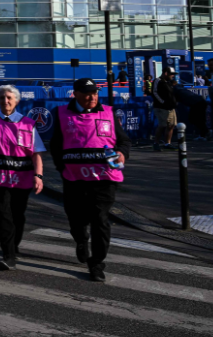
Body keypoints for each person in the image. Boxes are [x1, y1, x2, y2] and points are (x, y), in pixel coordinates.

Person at [49, 77, 129, 282]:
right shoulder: (61, 113)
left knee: (100, 218)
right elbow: (56, 145)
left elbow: (123, 141)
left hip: (105, 178)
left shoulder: (109, 112)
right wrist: (62, 167)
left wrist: (121, 153)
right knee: (76, 218)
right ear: (75, 94)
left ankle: (97, 263)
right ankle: (81, 240)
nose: (92, 97)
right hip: (74, 178)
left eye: (94, 93)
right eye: (86, 93)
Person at [0, 85, 46, 270]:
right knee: (2, 214)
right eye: (3, 97)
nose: (6, 101)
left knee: (17, 215)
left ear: (17, 101)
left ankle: (14, 246)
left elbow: (36, 153)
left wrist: (38, 175)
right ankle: (8, 255)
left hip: (22, 179)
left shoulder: (28, 123)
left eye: (9, 97)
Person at [151, 67, 177, 150]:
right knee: (162, 125)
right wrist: (162, 102)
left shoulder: (168, 83)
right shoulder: (157, 80)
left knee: (171, 125)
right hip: (161, 107)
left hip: (170, 107)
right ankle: (156, 143)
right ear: (166, 73)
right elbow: (154, 92)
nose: (173, 76)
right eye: (171, 74)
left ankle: (167, 143)